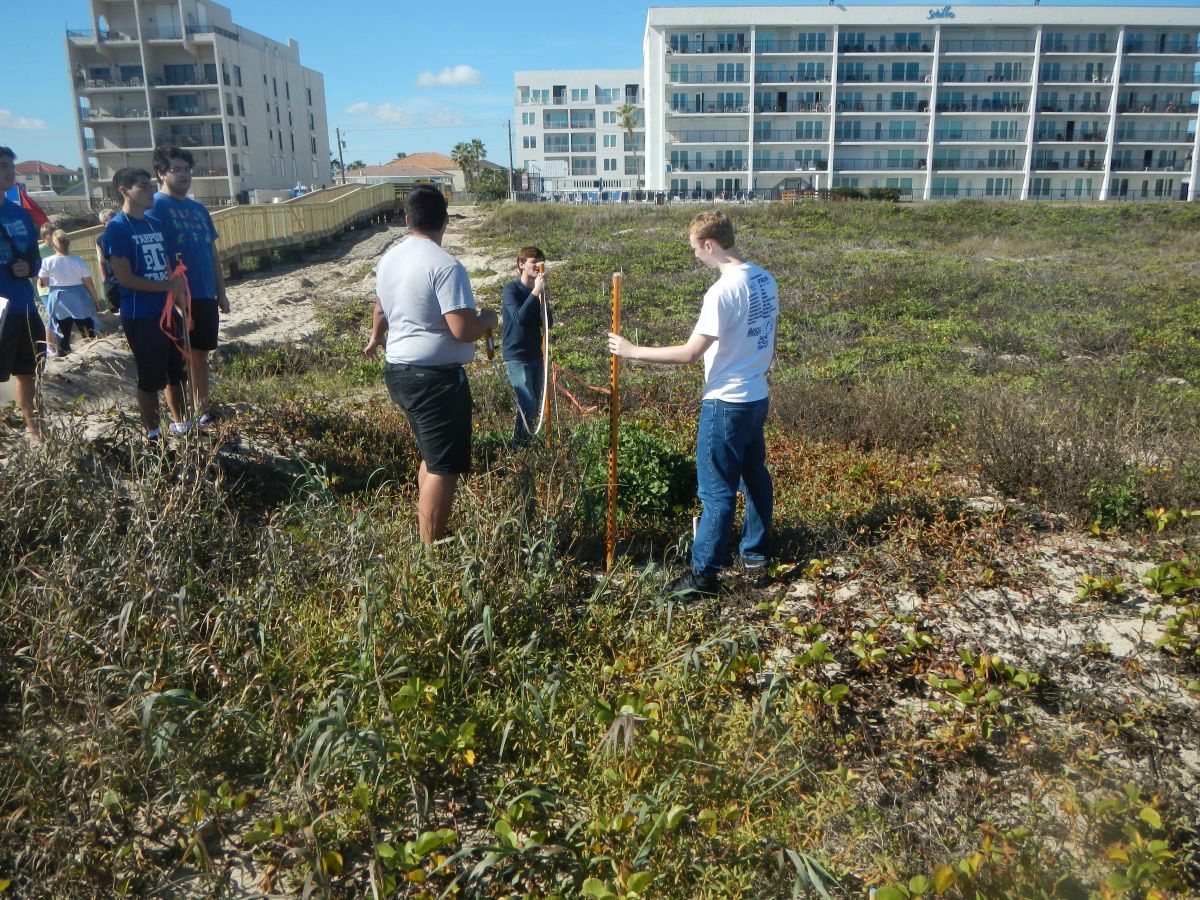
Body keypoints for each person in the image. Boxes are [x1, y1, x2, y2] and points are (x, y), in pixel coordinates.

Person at [608, 210, 778, 597]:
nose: (695, 257)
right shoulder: (766, 279)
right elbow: (770, 339)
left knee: (716, 491)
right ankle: (756, 555)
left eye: (694, 250)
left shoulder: (722, 291)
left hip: (725, 403)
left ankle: (703, 575)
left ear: (709, 244)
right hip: (755, 396)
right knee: (755, 478)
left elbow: (689, 354)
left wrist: (632, 351)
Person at [363, 185, 498, 545]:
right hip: (434, 380)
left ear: (407, 219)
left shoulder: (389, 259)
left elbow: (380, 308)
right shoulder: (446, 265)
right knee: (444, 468)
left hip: (399, 372)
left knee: (431, 455)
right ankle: (429, 552)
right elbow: (462, 329)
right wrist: (488, 320)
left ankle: (428, 532)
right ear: (446, 220)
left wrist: (376, 338)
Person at [103, 166, 189, 440]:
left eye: (151, 185)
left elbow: (166, 266)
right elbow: (125, 278)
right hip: (140, 314)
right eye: (143, 186)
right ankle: (153, 433)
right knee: (151, 377)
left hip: (166, 310)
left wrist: (180, 302)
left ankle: (181, 425)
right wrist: (166, 286)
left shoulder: (154, 224)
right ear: (124, 190)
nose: (150, 190)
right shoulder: (117, 229)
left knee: (177, 371)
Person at [152, 145, 228, 428]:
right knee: (179, 359)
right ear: (161, 173)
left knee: (201, 355)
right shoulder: (156, 206)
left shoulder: (198, 209)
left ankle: (202, 411)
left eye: (187, 169)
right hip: (176, 295)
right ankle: (180, 418)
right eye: (176, 169)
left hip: (205, 292)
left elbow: (212, 253)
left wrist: (221, 292)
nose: (183, 175)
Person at [0, 146, 47, 442]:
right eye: (3, 165)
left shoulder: (19, 213)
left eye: (11, 166)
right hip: (0, 308)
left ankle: (35, 430)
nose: (9, 171)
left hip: (24, 305)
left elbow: (35, 257)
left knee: (29, 371)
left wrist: (28, 266)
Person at [501, 246, 552, 446]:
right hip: (515, 355)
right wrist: (535, 292)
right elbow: (518, 319)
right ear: (521, 264)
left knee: (534, 403)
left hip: (534, 354)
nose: (538, 267)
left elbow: (549, 324)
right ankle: (518, 445)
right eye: (533, 263)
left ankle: (525, 444)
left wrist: (543, 298)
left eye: (541, 263)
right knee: (527, 401)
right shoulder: (511, 290)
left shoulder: (538, 293)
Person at [37, 229, 101, 356]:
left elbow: (42, 283)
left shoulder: (47, 261)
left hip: (58, 299)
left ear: (54, 244)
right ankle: (92, 352)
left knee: (63, 331)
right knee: (87, 330)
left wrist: (54, 280)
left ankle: (63, 353)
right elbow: (89, 283)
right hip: (79, 297)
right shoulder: (78, 261)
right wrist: (96, 300)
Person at [36, 222, 60, 357]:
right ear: (45, 237)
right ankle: (50, 347)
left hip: (59, 287)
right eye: (52, 234)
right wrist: (42, 283)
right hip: (46, 290)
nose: (56, 236)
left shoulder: (59, 248)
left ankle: (60, 345)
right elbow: (35, 271)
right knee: (51, 316)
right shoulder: (39, 250)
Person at [96, 209, 121, 313]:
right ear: (105, 222)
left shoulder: (125, 233)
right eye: (113, 218)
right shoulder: (100, 239)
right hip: (112, 281)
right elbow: (101, 261)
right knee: (115, 310)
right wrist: (105, 279)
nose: (117, 219)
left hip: (129, 278)